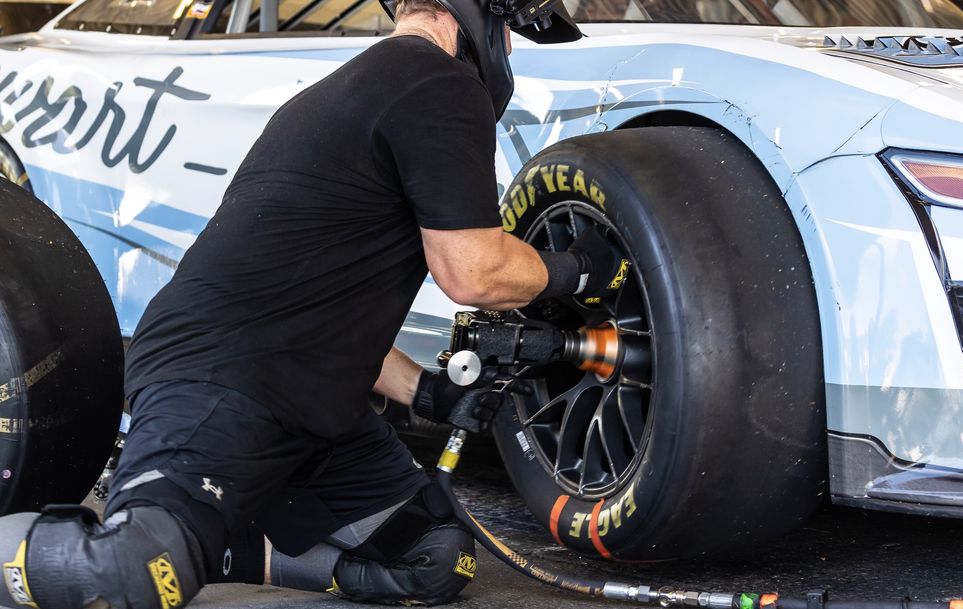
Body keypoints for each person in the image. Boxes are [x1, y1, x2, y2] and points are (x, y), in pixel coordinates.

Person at [0, 0, 624, 606]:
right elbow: (474, 271)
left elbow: (327, 305)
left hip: (315, 403)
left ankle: (211, 544)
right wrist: (581, 268)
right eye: (508, 29)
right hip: (225, 379)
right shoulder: (436, 83)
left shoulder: (362, 89)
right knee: (131, 568)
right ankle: (169, 537)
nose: (509, 46)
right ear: (475, 15)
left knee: (435, 559)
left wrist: (429, 393)